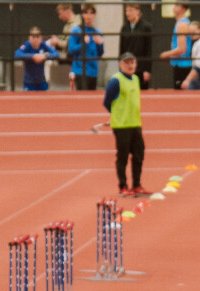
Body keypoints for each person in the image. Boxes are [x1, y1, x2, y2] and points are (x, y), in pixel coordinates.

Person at [103, 53, 147, 196]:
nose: (130, 65)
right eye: (127, 63)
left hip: (135, 123)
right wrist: (116, 114)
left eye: (132, 62)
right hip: (121, 126)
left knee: (139, 154)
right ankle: (123, 186)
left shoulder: (135, 79)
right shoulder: (115, 81)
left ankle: (136, 185)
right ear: (120, 65)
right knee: (123, 156)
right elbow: (107, 101)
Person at [67, 5, 104, 90]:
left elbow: (100, 54)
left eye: (91, 13)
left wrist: (100, 44)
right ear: (82, 15)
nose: (89, 16)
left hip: (93, 71)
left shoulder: (97, 32)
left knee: (92, 97)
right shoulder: (76, 30)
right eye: (86, 13)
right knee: (81, 96)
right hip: (80, 71)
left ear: (94, 15)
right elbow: (71, 50)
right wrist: (83, 43)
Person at [120, 3, 154, 89]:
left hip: (141, 68)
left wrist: (147, 70)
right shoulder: (124, 27)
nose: (127, 13)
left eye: (130, 10)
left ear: (137, 11)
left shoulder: (146, 27)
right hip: (127, 68)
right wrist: (120, 65)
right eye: (126, 11)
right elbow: (121, 48)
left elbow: (149, 50)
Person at [159, 2, 192, 89]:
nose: (174, 7)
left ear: (183, 9)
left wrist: (166, 54)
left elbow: (182, 49)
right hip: (179, 64)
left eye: (177, 5)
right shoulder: (180, 23)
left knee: (181, 93)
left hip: (183, 66)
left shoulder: (182, 25)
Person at [181, 21, 200, 89]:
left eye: (194, 31)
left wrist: (187, 80)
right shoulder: (198, 43)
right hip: (198, 80)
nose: (191, 34)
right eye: (190, 32)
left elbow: (199, 65)